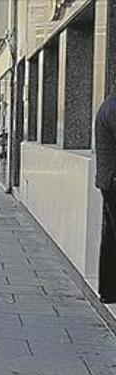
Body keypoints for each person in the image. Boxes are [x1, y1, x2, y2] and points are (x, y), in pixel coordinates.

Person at [96, 86, 116, 304]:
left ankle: (108, 291)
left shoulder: (109, 104)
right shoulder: (113, 108)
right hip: (113, 181)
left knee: (110, 238)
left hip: (108, 181)